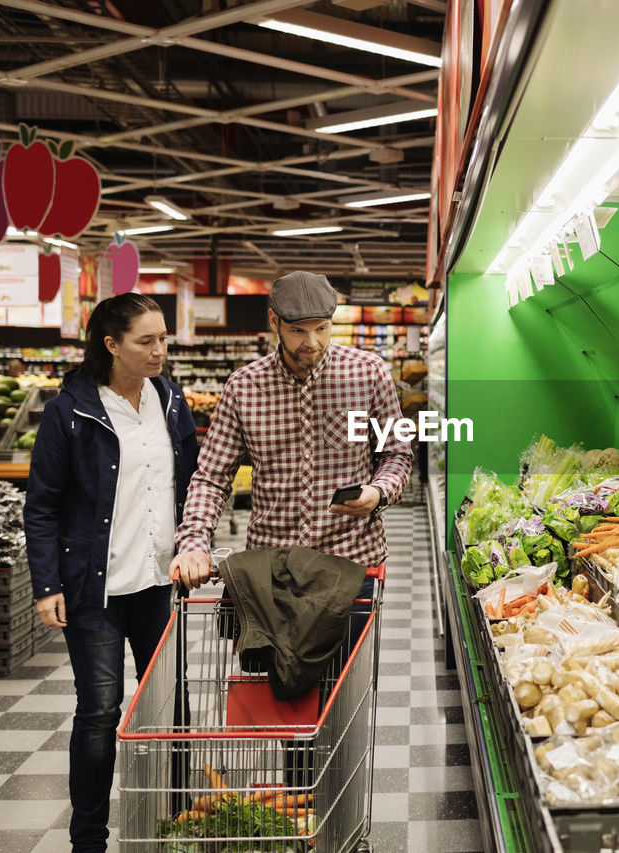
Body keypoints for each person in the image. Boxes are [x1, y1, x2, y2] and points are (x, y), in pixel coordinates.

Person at [24, 293, 199, 853]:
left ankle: (180, 821)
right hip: (95, 590)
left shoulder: (170, 400)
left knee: (173, 707)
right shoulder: (70, 410)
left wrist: (196, 544)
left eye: (163, 338)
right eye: (145, 341)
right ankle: (89, 839)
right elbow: (43, 504)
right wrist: (46, 584)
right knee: (99, 712)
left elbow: (194, 482)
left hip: (159, 583)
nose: (159, 351)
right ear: (111, 345)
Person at [171, 271, 412, 593]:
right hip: (271, 568)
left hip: (352, 563)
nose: (311, 343)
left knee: (351, 647)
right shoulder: (244, 386)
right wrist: (193, 542)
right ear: (274, 321)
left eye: (321, 329)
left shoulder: (369, 372)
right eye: (298, 331)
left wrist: (379, 491)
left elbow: (396, 453)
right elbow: (212, 477)